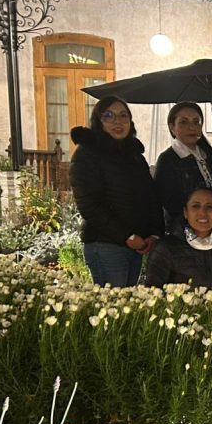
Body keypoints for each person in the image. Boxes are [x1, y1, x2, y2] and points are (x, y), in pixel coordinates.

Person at [70, 96, 163, 287]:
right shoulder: (87, 153)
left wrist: (154, 233)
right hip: (106, 244)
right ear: (98, 121)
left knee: (127, 301)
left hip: (136, 245)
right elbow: (89, 205)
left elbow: (151, 196)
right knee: (113, 303)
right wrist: (126, 236)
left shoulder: (134, 155)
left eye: (123, 116)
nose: (117, 122)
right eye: (109, 116)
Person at [143, 187, 212, 296]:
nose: (202, 212)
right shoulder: (165, 247)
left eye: (209, 207)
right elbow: (153, 293)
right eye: (195, 206)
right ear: (185, 212)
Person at [154, 101, 212, 236]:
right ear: (172, 127)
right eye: (184, 122)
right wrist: (209, 197)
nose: (191, 127)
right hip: (183, 230)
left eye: (196, 122)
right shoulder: (167, 159)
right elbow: (169, 201)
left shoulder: (207, 154)